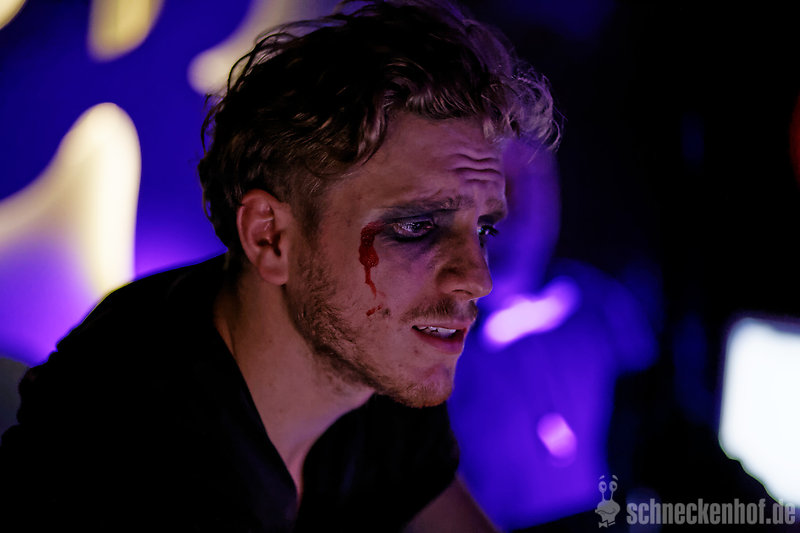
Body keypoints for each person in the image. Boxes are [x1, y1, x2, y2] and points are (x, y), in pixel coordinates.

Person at [0, 1, 557, 531]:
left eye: (484, 229)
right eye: (416, 227)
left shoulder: (380, 364)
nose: (478, 279)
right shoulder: (122, 455)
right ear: (270, 238)